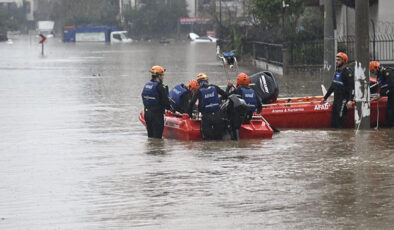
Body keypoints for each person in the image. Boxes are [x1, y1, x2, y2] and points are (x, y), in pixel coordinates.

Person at [187, 73, 227, 140]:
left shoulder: (199, 91)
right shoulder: (214, 87)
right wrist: (219, 99)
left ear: (199, 82)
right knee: (219, 138)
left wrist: (190, 115)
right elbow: (225, 95)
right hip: (217, 116)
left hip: (206, 117)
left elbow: (191, 104)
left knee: (208, 139)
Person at [322, 52, 354, 128]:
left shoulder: (347, 73)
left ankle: (342, 137)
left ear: (344, 61)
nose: (336, 61)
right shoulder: (337, 72)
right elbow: (332, 86)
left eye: (339, 60)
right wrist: (325, 98)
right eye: (336, 60)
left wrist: (350, 100)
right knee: (333, 121)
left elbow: (351, 88)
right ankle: (336, 138)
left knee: (340, 120)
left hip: (343, 100)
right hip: (336, 99)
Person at [226, 73, 262, 140]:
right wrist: (257, 114)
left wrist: (228, 87)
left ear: (238, 81)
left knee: (230, 121)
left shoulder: (238, 90)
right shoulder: (253, 91)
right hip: (250, 116)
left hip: (240, 118)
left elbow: (227, 96)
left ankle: (234, 138)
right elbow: (259, 105)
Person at [141, 65, 170, 138]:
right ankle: (157, 149)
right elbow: (166, 102)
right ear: (158, 76)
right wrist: (171, 108)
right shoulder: (160, 87)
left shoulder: (147, 85)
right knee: (158, 138)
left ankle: (152, 149)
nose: (163, 77)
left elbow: (143, 96)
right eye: (162, 75)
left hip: (147, 114)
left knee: (150, 137)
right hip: (157, 116)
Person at [369, 61, 394, 128]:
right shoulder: (380, 76)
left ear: (376, 67)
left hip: (392, 94)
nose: (372, 73)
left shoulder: (387, 72)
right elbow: (383, 87)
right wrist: (380, 94)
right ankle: (390, 129)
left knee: (390, 112)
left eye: (372, 71)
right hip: (391, 96)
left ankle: (390, 129)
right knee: (389, 112)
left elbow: (391, 85)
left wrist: (381, 94)